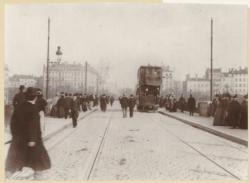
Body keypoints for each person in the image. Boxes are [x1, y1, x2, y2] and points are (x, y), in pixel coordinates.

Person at [6, 87, 51, 179]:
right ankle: (38, 177)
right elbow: (32, 125)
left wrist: (15, 135)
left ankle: (5, 176)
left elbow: (13, 123)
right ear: (35, 97)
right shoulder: (34, 109)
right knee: (38, 160)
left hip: (19, 139)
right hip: (33, 140)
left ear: (26, 97)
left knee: (15, 160)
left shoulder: (18, 107)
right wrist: (32, 139)